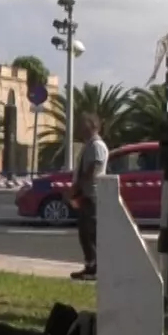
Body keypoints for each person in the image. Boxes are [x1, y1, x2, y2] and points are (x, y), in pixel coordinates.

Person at [69, 113, 108, 281]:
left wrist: (78, 187)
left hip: (92, 194)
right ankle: (90, 265)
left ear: (91, 126)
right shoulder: (89, 145)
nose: (79, 129)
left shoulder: (97, 145)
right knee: (85, 233)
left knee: (91, 232)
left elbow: (94, 169)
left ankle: (96, 268)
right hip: (86, 194)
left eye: (82, 125)